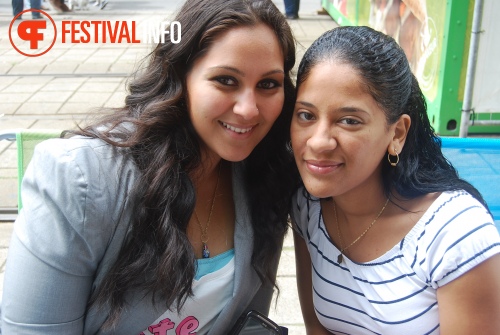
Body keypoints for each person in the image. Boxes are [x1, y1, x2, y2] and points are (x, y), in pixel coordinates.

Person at [0, 0, 297, 333]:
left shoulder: (266, 177)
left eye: (268, 84)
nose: (249, 109)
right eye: (226, 80)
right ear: (181, 76)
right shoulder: (81, 180)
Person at [290, 26, 500, 334]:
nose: (319, 142)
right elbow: (316, 327)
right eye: (306, 115)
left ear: (397, 134)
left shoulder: (454, 234)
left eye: (349, 121)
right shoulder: (308, 207)